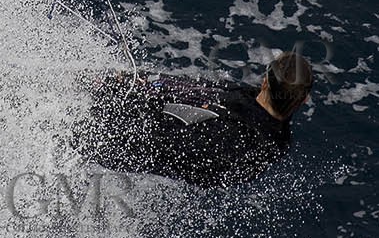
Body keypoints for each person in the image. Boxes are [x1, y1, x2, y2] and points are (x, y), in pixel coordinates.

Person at [74, 51, 313, 187]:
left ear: (265, 82)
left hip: (124, 141)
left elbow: (162, 141)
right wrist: (145, 84)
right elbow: (197, 91)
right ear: (304, 100)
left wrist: (128, 95)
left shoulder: (234, 137)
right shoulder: (269, 129)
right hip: (161, 129)